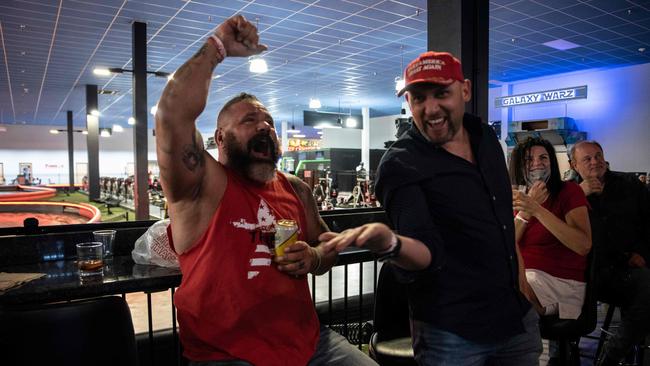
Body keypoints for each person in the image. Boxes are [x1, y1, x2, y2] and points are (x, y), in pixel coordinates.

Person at [155, 15, 376, 366]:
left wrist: (315, 257)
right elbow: (172, 114)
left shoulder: (297, 190)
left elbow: (327, 242)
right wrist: (218, 47)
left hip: (308, 344)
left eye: (269, 123)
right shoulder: (201, 185)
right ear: (220, 138)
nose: (264, 127)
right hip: (226, 355)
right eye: (248, 121)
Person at [320, 51, 542, 365]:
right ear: (408, 102)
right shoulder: (401, 164)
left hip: (514, 319)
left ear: (464, 90)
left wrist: (521, 287)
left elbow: (501, 224)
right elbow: (427, 252)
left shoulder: (485, 139)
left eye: (441, 94)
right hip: (453, 334)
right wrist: (390, 243)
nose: (431, 108)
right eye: (419, 98)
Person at [569, 140, 650, 366]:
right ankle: (561, 356)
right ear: (574, 165)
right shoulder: (567, 191)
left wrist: (642, 252)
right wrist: (578, 194)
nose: (595, 162)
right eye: (587, 159)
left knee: (647, 287)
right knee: (560, 293)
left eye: (598, 156)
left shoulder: (630, 184)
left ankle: (611, 357)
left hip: (625, 268)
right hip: (584, 272)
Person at [509, 137, 592, 320]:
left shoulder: (569, 191)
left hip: (561, 281)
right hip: (524, 275)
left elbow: (583, 245)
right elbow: (506, 243)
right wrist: (527, 210)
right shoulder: (516, 196)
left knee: (505, 291)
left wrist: (536, 209)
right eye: (529, 159)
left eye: (543, 158)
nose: (537, 164)